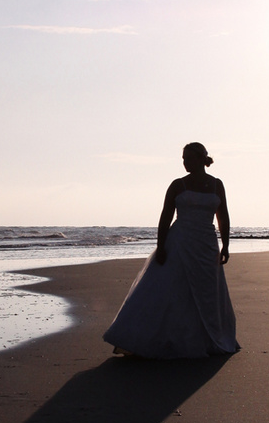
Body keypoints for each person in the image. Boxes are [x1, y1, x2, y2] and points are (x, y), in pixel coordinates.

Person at [103, 143, 240, 359]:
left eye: (188, 158)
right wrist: (160, 246)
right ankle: (166, 339)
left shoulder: (216, 185)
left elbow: (223, 216)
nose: (185, 162)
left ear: (201, 159)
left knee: (207, 291)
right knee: (174, 290)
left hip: (206, 244)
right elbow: (165, 217)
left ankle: (208, 336)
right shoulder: (178, 185)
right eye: (183, 158)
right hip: (180, 242)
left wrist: (226, 244)